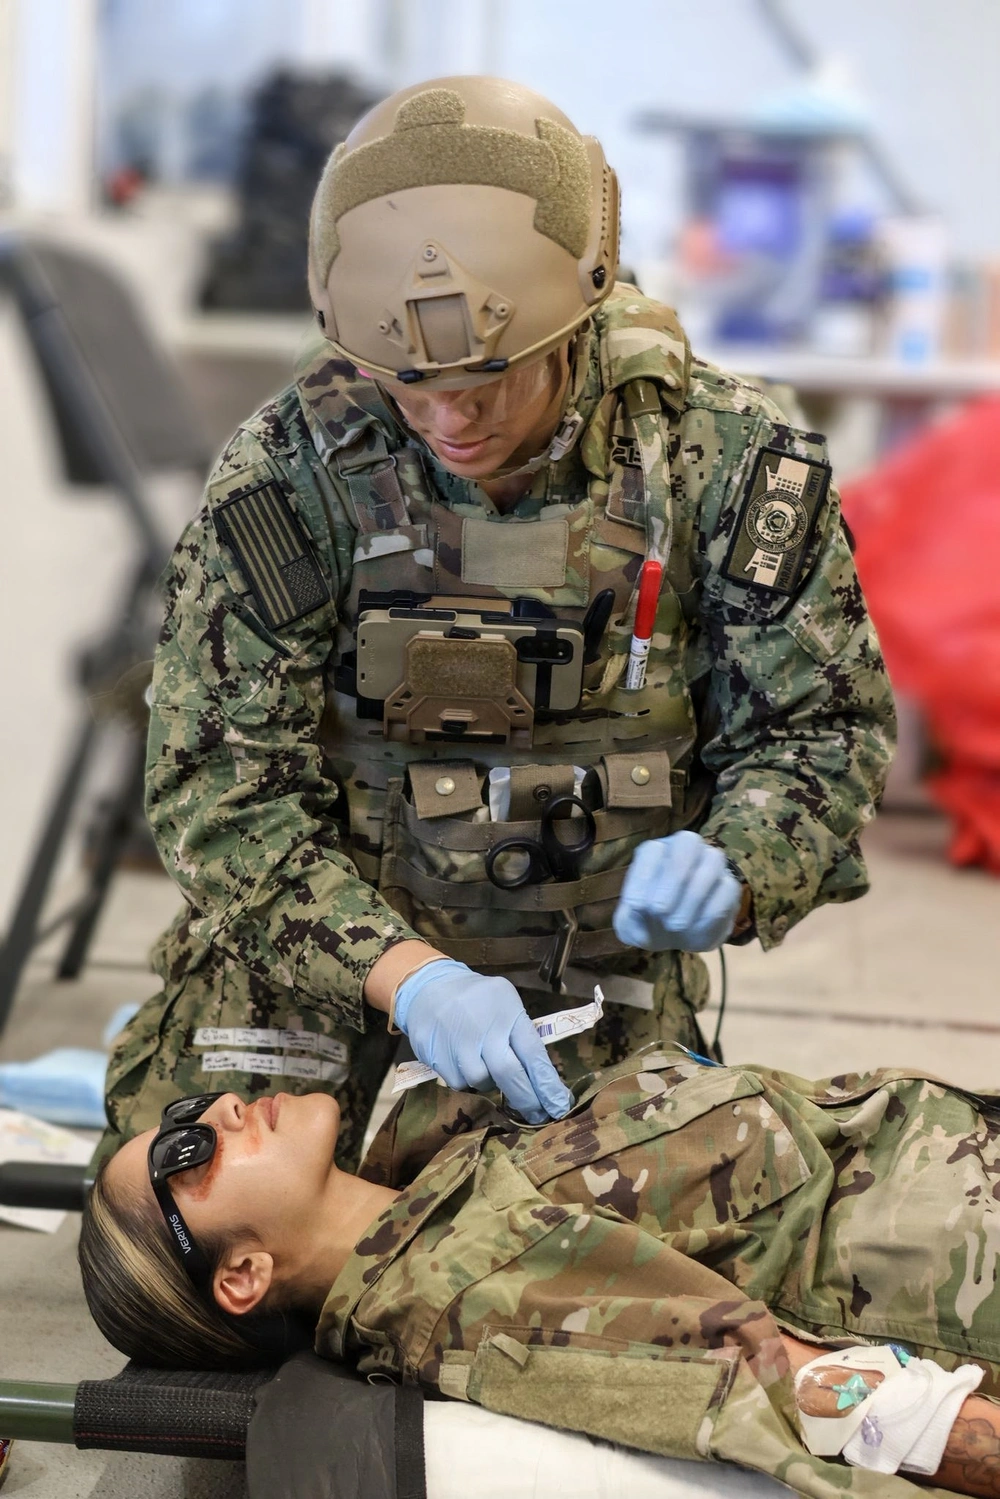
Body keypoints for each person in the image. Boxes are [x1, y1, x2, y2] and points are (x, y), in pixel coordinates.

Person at [103, 74, 894, 1165]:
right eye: (406, 384)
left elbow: (822, 730)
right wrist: (410, 975)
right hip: (319, 959)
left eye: (489, 377)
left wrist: (740, 859)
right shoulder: (291, 467)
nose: (448, 416)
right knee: (204, 1244)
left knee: (589, 1262)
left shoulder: (720, 453)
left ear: (578, 311)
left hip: (583, 969)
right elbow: (215, 787)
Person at [81, 1052, 1000, 1498]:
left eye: (192, 1109)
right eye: (190, 1150)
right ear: (241, 1274)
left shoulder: (426, 1166)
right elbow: (833, 1399)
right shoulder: (465, 1294)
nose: (225, 1108)